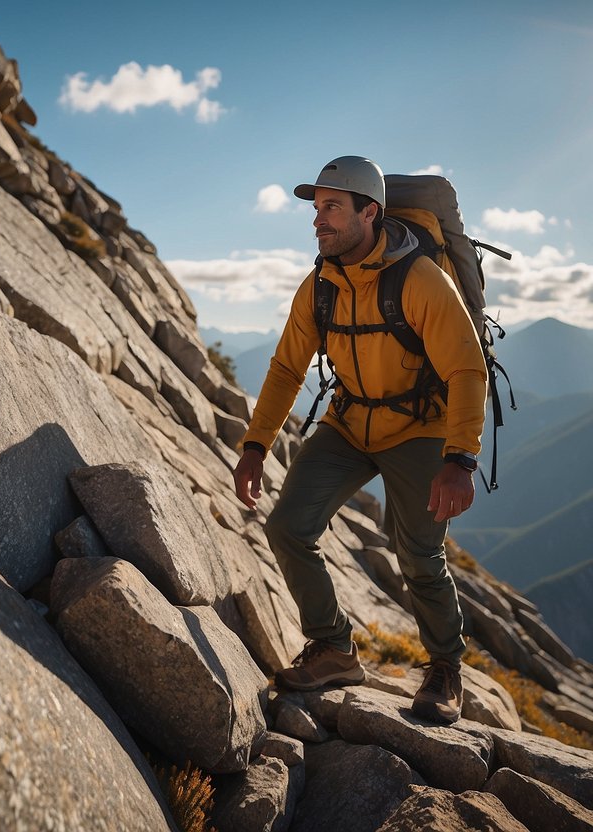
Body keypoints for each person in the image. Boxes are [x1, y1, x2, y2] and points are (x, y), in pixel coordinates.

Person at [231, 156, 487, 724]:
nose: (317, 220)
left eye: (331, 208)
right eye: (316, 208)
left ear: (369, 213)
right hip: (349, 422)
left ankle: (446, 669)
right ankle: (333, 649)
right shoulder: (319, 283)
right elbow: (284, 369)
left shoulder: (420, 279)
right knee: (287, 527)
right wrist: (255, 446)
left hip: (421, 427)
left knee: (418, 554)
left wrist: (460, 459)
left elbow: (468, 370)